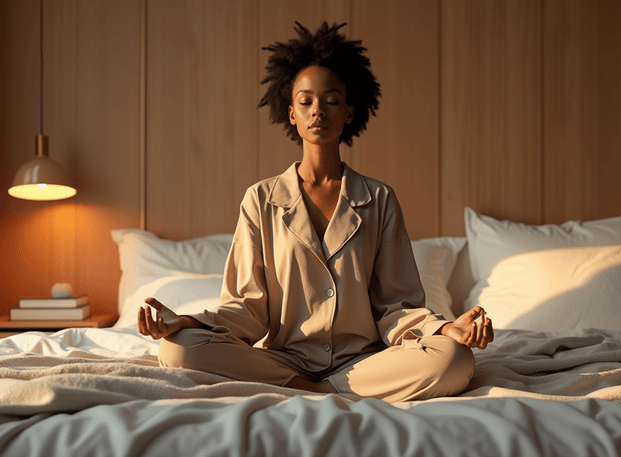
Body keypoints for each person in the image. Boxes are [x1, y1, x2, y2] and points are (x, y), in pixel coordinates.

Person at [138, 22, 493, 403]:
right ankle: (313, 387)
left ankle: (319, 390)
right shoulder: (260, 199)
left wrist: (446, 331)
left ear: (350, 111)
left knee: (454, 360)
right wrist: (187, 322)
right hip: (282, 363)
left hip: (364, 365)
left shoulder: (379, 198)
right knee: (176, 350)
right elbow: (246, 309)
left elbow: (396, 309)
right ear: (291, 113)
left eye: (331, 100)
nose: (317, 111)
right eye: (305, 101)